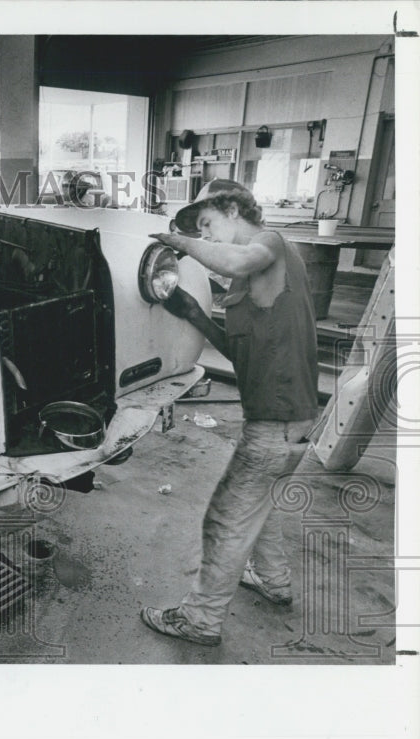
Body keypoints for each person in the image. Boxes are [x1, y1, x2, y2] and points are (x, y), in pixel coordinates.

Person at [141, 179, 319, 647]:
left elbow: (237, 257)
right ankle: (273, 580)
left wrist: (178, 242)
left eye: (208, 224)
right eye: (199, 230)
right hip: (287, 420)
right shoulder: (248, 285)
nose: (206, 236)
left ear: (234, 210)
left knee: (225, 518)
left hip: (277, 421)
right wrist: (197, 316)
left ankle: (199, 619)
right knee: (260, 505)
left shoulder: (271, 246)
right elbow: (242, 357)